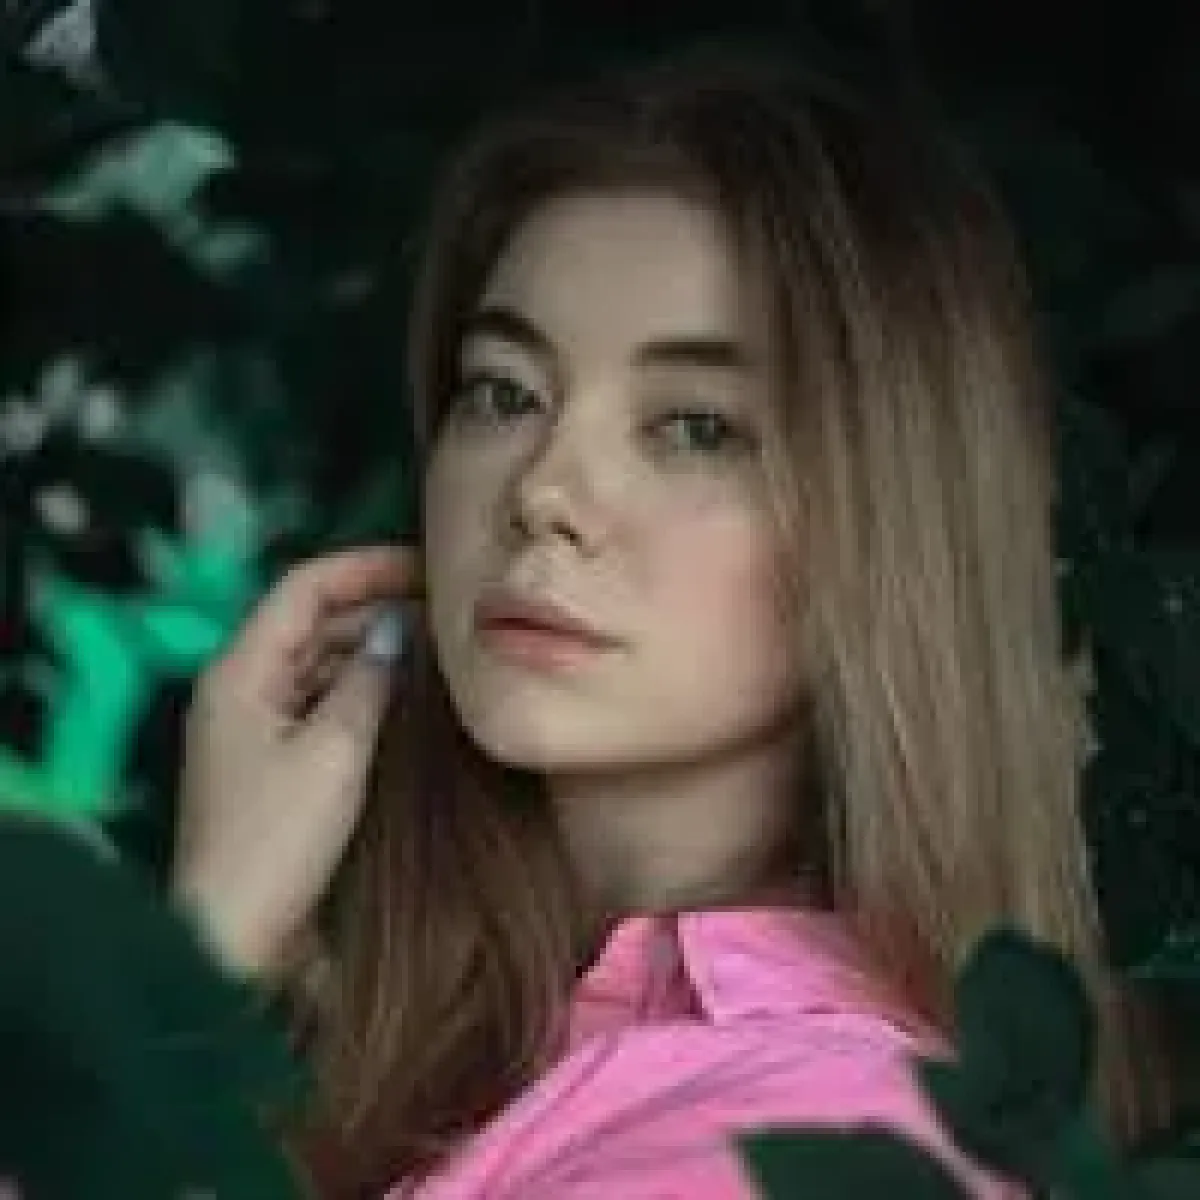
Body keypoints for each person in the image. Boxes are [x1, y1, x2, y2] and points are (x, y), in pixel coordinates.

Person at [170, 43, 1179, 1198]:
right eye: (503, 392)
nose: (543, 489)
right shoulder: (442, 1052)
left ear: (895, 526)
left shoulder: (806, 1135)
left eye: (697, 427)